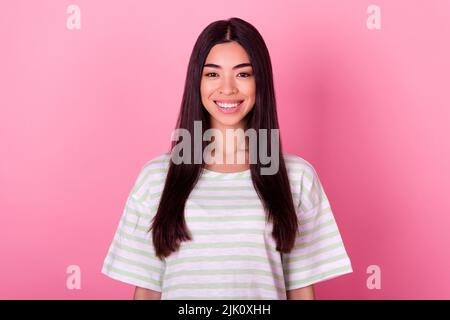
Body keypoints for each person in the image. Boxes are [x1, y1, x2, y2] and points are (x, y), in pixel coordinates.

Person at [101, 17, 353, 300]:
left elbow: (301, 289)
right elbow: (147, 288)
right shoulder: (157, 177)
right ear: (197, 81)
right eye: (213, 74)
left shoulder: (297, 177)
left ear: (261, 82)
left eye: (243, 74)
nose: (228, 88)